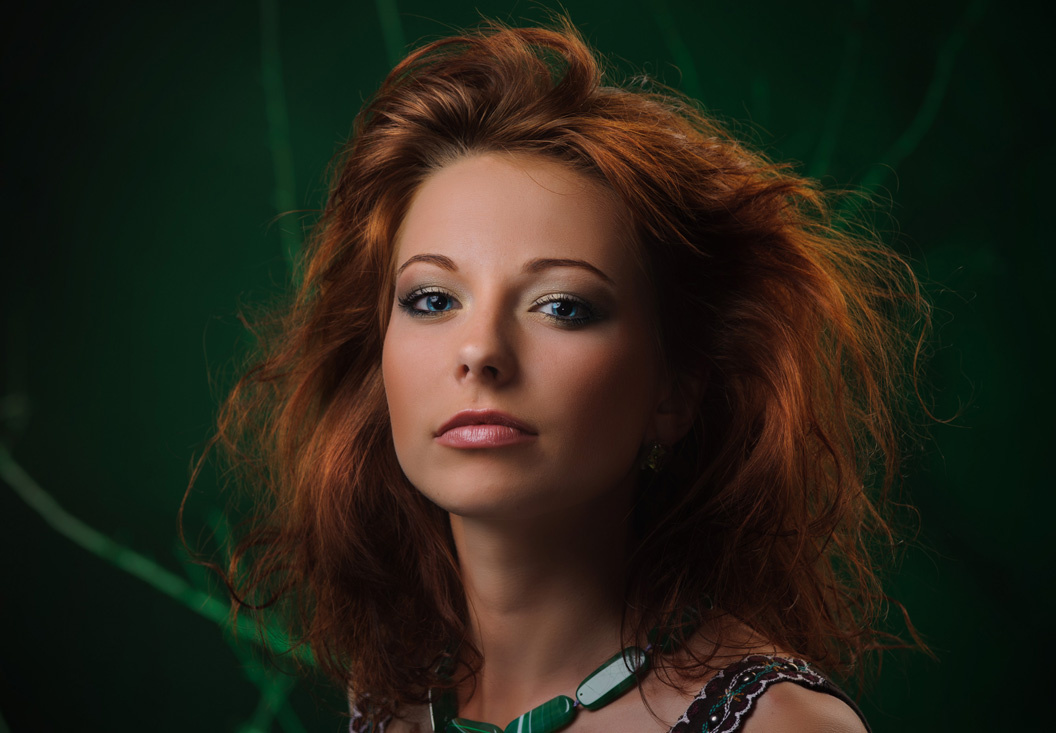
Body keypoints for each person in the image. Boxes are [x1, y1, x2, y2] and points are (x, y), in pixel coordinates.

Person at [203, 19, 928, 733]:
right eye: (432, 300)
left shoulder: (779, 726)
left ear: (675, 388)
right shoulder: (393, 694)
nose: (479, 350)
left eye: (562, 306)